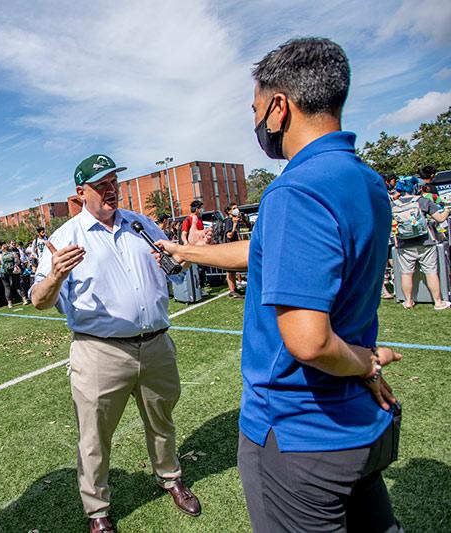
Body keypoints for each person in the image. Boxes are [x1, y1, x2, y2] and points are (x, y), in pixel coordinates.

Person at [155, 37, 404, 532]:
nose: (256, 123)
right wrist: (186, 251)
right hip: (362, 428)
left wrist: (366, 363)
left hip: (301, 435)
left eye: (254, 109)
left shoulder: (296, 189)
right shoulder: (365, 179)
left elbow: (308, 341)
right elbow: (270, 252)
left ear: (278, 107)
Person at [31, 154, 204, 533]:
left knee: (162, 420)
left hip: (156, 344)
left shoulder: (141, 225)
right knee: (94, 436)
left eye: (114, 182)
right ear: (81, 193)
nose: (111, 189)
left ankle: (171, 478)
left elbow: (172, 269)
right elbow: (39, 299)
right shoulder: (65, 239)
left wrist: (187, 254)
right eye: (101, 184)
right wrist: (56, 275)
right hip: (100, 353)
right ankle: (97, 511)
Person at [392, 179, 450, 309]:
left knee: (406, 273)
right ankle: (438, 302)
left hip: (404, 243)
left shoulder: (394, 204)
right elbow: (440, 218)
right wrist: (447, 210)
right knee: (430, 271)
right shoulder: (423, 202)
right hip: (425, 242)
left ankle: (408, 302)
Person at [221, 204, 245, 299]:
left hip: (234, 247)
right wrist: (234, 225)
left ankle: (234, 288)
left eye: (236, 208)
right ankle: (232, 291)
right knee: (230, 271)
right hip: (229, 248)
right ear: (229, 211)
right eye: (234, 208)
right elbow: (229, 235)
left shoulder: (234, 219)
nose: (236, 210)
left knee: (233, 270)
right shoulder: (228, 221)